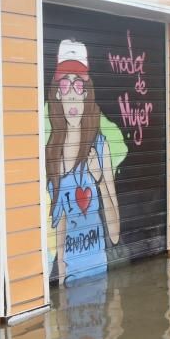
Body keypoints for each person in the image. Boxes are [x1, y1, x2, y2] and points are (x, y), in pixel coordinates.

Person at [46, 39, 121, 284]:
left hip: (98, 271)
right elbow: (61, 224)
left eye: (78, 85)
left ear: (86, 92)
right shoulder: (52, 152)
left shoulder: (100, 147)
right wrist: (61, 280)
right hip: (69, 278)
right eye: (65, 84)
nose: (72, 94)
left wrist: (99, 180)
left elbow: (115, 232)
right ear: (57, 93)